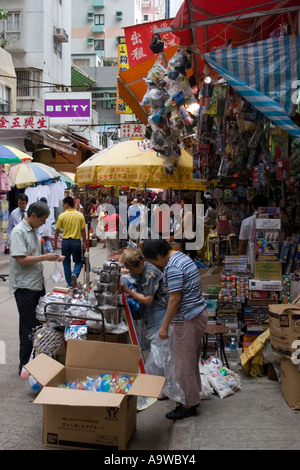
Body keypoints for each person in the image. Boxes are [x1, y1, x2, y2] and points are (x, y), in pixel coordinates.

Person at [141, 239, 208, 420]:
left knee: (181, 366)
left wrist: (164, 327)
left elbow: (175, 299)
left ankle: (188, 405)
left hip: (187, 319)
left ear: (158, 255)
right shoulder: (181, 257)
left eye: (152, 260)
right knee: (190, 361)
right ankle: (193, 395)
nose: (153, 265)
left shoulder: (172, 268)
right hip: (197, 313)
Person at [9, 201, 64, 375]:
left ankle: (36, 361)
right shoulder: (19, 232)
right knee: (27, 327)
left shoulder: (33, 230)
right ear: (33, 216)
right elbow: (22, 260)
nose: (44, 223)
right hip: (24, 286)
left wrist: (51, 257)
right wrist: (45, 257)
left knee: (38, 325)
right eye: (43, 219)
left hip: (36, 283)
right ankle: (25, 366)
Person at [120, 248, 168, 351]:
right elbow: (128, 270)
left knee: (157, 346)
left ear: (141, 263)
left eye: (133, 270)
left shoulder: (150, 274)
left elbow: (148, 300)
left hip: (159, 310)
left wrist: (129, 291)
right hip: (150, 310)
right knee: (147, 340)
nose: (132, 272)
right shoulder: (140, 269)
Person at [53, 196, 87, 287]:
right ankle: (75, 274)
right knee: (78, 261)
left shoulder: (62, 216)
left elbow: (57, 231)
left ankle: (70, 283)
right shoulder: (79, 215)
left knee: (66, 262)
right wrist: (84, 242)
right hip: (76, 242)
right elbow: (83, 230)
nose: (63, 206)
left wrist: (55, 242)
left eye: (64, 204)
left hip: (65, 242)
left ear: (67, 205)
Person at [239, 194, 269, 266]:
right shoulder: (274, 220)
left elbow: (243, 244)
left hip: (251, 259)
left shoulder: (246, 222)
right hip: (270, 259)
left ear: (252, 206)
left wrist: (241, 262)